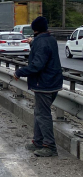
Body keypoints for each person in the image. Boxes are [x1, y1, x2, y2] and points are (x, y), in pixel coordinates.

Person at [14, 16, 63, 157]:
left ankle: (49, 146)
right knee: (39, 112)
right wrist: (33, 43)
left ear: (35, 30)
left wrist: (19, 72)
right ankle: (38, 141)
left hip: (44, 84)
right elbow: (44, 53)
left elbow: (37, 65)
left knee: (43, 115)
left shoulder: (40, 43)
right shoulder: (50, 39)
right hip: (54, 82)